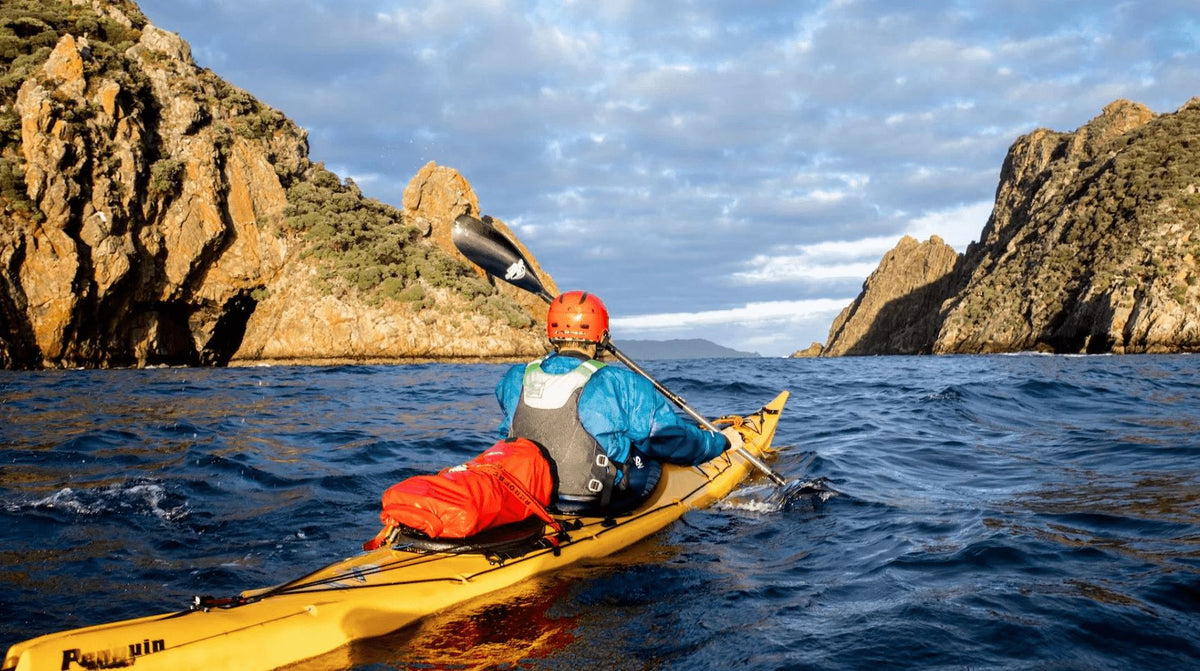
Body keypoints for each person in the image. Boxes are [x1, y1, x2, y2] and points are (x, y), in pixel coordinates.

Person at [496, 290, 743, 514]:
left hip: (531, 495)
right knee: (647, 446)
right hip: (595, 502)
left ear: (552, 334)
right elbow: (670, 439)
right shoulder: (619, 381)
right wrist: (720, 442)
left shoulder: (516, 377)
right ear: (603, 336)